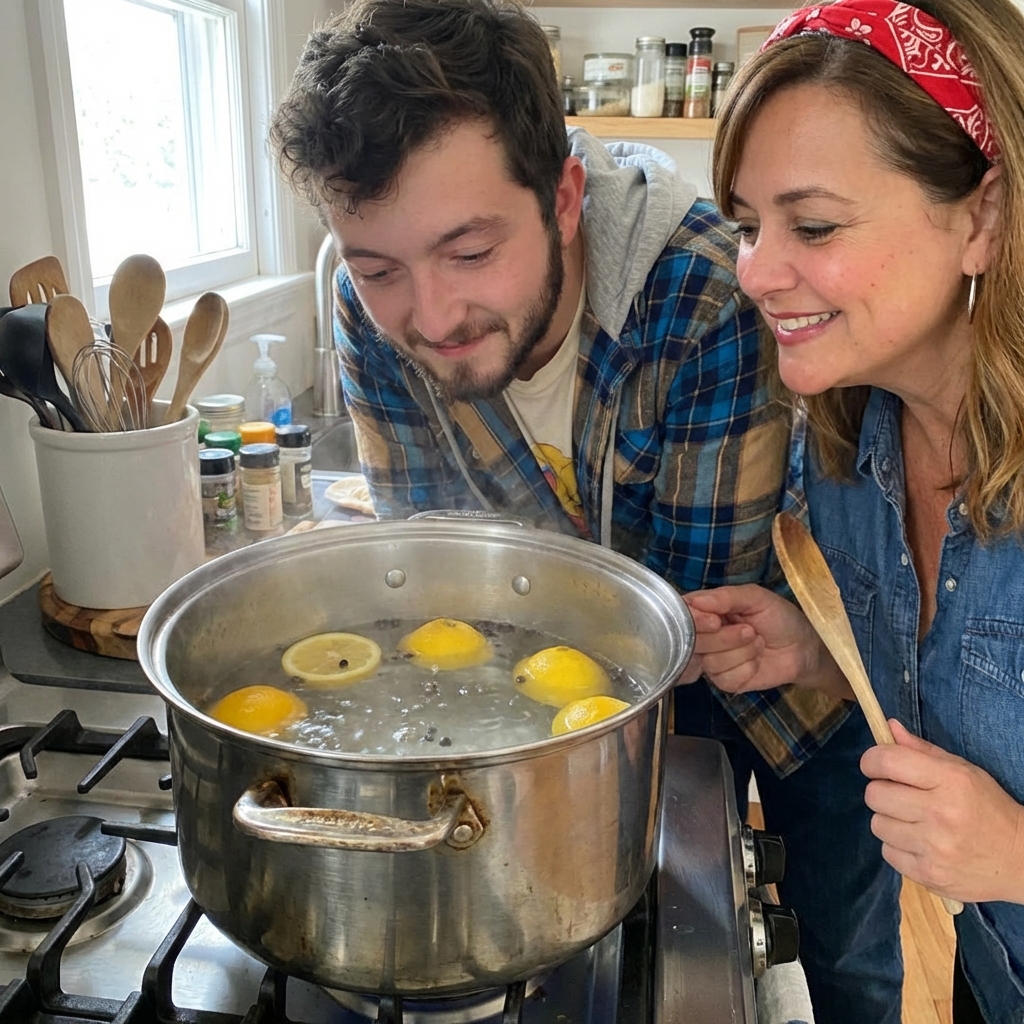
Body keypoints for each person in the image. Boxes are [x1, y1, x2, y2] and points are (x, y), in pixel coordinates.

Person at [268, 1, 899, 1018]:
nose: (427, 317)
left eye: (469, 252)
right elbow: (431, 566)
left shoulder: (701, 295)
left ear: (563, 193)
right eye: (383, 266)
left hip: (773, 667)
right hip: (562, 683)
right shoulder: (362, 303)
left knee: (837, 944)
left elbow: (685, 612)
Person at [684, 0, 1024, 1020]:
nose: (753, 270)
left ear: (983, 218)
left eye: (813, 225)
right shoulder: (842, 451)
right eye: (747, 226)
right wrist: (820, 650)